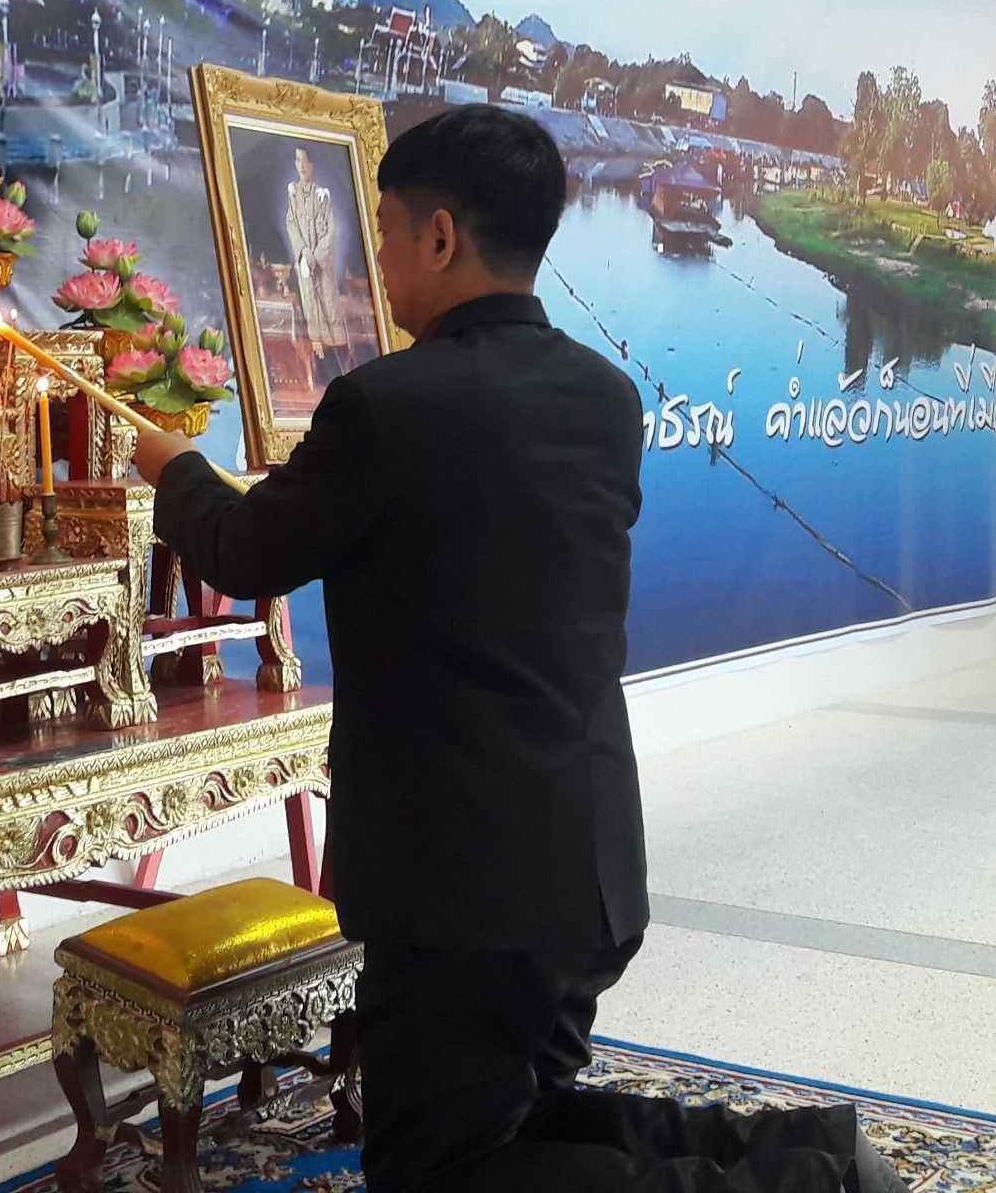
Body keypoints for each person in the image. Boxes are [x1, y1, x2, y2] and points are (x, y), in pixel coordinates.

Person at [136, 105, 649, 1191]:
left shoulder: (385, 407)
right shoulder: (605, 398)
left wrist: (175, 467)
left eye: (382, 232)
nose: (374, 260)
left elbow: (245, 550)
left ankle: (799, 1175)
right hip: (590, 861)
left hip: (462, 889)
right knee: (529, 1123)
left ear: (441, 237)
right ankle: (811, 1159)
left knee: (439, 1168)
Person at [282, 145, 352, 381]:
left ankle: (340, 362)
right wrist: (303, 252)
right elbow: (291, 224)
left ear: (312, 165)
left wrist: (316, 257)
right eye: (297, 160)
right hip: (305, 263)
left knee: (329, 305)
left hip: (321, 265)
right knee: (310, 307)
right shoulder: (293, 195)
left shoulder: (323, 196)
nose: (301, 165)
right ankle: (320, 369)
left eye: (305, 160)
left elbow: (331, 231)